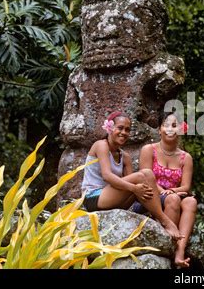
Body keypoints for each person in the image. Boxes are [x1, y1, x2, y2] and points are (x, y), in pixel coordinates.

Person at [81, 111, 182, 240]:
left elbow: (136, 189)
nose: (124, 132)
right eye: (120, 128)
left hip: (112, 199)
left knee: (146, 176)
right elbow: (107, 176)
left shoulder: (125, 157)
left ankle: (159, 219)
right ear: (110, 128)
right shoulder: (101, 145)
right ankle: (165, 221)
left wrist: (162, 195)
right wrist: (135, 188)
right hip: (93, 198)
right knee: (143, 175)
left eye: (127, 130)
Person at [139, 112, 197, 268]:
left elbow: (186, 187)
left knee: (191, 201)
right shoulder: (148, 150)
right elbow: (145, 177)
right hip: (150, 196)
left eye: (175, 125)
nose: (170, 129)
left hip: (173, 195)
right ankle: (166, 247)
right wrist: (164, 192)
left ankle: (179, 251)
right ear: (159, 130)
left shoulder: (186, 157)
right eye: (166, 125)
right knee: (173, 199)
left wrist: (171, 191)